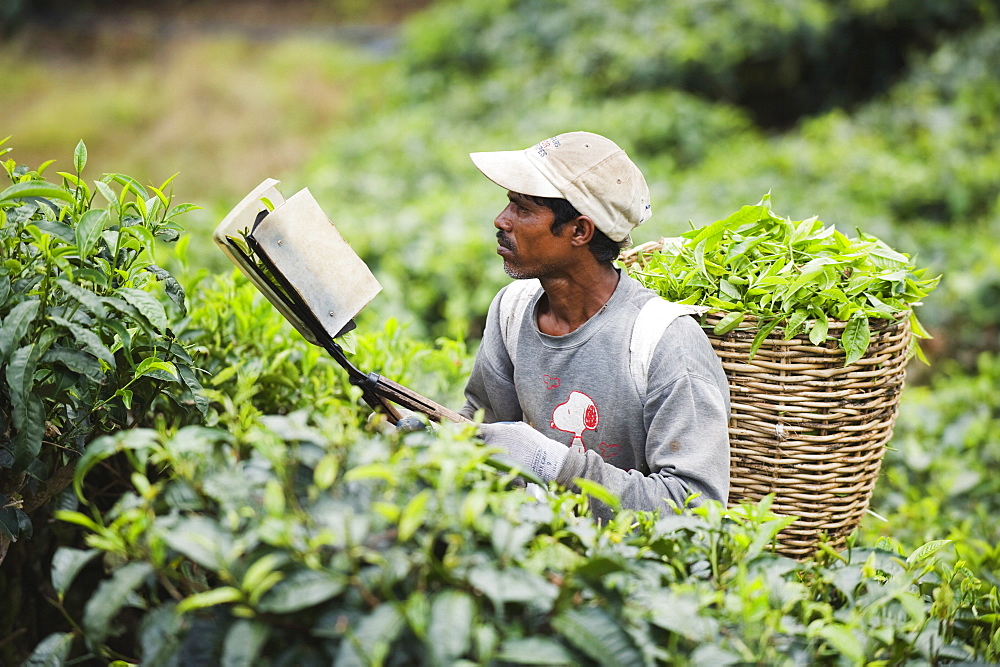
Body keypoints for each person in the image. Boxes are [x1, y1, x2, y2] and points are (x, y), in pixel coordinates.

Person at [458, 131, 731, 520]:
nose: (501, 220)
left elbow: (696, 509)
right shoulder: (511, 311)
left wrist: (556, 466)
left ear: (579, 231)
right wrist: (437, 441)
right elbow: (483, 423)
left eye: (522, 208)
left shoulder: (664, 342)